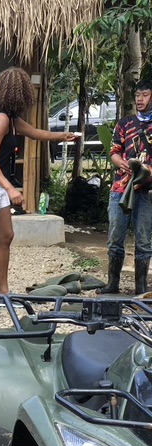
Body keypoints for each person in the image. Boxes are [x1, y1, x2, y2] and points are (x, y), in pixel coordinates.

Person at [0, 67, 80, 313]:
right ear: (20, 94)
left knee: (5, 237)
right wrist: (10, 188)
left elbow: (35, 133)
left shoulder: (13, 120)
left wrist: (62, 136)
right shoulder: (1, 119)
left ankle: (3, 292)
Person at [104, 79, 152, 295]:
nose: (140, 99)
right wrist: (120, 162)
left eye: (145, 95)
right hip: (121, 187)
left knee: (143, 239)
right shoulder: (124, 123)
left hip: (147, 191)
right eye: (138, 95)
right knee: (115, 236)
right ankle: (112, 284)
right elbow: (114, 150)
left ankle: (140, 287)